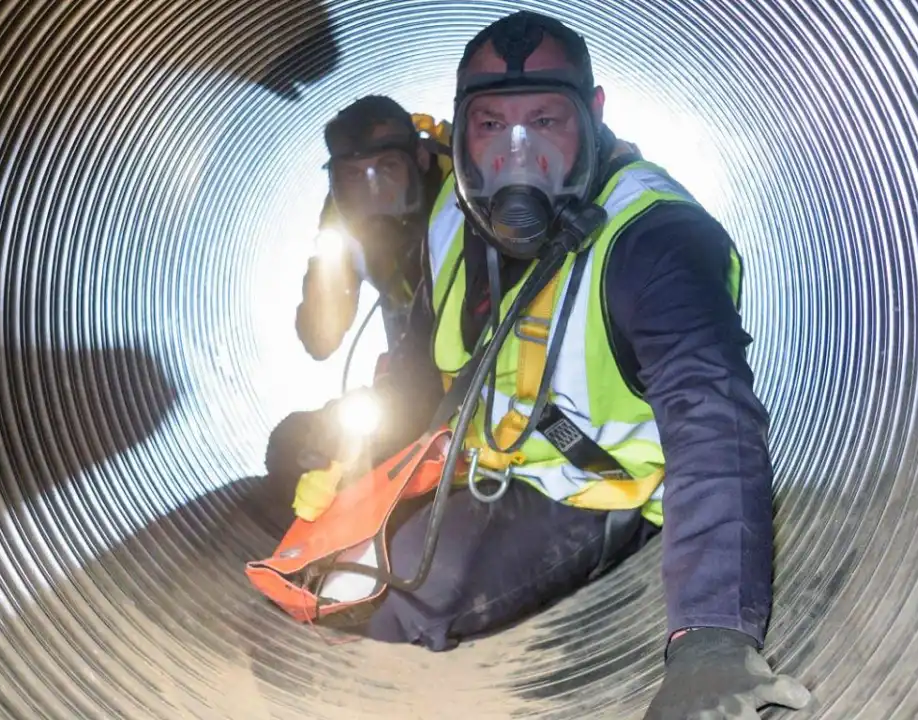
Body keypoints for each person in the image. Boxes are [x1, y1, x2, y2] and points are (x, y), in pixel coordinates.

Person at [291, 11, 810, 719]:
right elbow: (418, 372)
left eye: (544, 120)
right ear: (458, 129)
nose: (517, 152)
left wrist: (711, 642)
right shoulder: (450, 215)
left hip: (596, 496)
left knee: (393, 602)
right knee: (335, 571)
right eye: (491, 125)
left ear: (593, 116)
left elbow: (712, 423)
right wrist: (364, 479)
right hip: (496, 466)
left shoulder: (654, 241)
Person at [262, 96, 450, 520]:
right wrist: (330, 259)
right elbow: (320, 338)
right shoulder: (343, 225)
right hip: (409, 376)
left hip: (474, 367)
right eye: (352, 176)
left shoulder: (464, 195)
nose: (373, 190)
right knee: (294, 444)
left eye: (387, 168)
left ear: (420, 159)